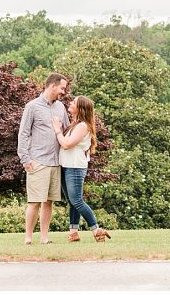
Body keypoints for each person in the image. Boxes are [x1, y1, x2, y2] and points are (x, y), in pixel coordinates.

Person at [17, 72, 70, 245]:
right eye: (62, 88)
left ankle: (44, 238)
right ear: (52, 85)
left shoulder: (61, 107)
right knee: (34, 202)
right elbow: (23, 133)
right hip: (37, 161)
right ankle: (28, 237)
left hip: (56, 162)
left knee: (49, 202)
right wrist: (25, 159)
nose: (64, 92)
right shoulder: (32, 106)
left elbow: (67, 131)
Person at [53, 95, 112, 242]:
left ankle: (96, 230)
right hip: (67, 166)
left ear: (80, 108)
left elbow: (66, 144)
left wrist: (57, 130)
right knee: (72, 201)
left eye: (74, 102)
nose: (70, 103)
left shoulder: (83, 126)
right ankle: (73, 233)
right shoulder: (75, 124)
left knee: (77, 201)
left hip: (75, 168)